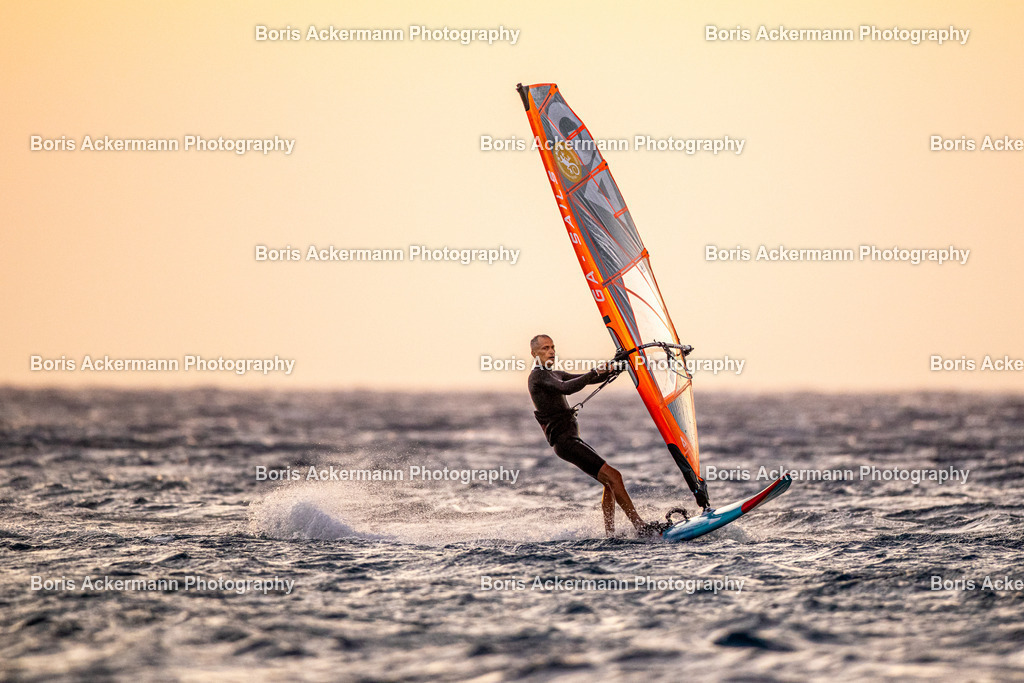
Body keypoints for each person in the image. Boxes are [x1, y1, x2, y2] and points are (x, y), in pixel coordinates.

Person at [528, 334, 666, 538]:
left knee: (609, 483)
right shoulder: (538, 376)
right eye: (545, 348)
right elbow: (569, 388)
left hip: (571, 440)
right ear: (534, 354)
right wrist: (596, 371)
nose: (551, 352)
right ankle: (640, 527)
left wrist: (617, 365)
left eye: (553, 347)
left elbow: (588, 378)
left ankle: (610, 534)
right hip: (565, 442)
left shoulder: (554, 373)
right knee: (615, 476)